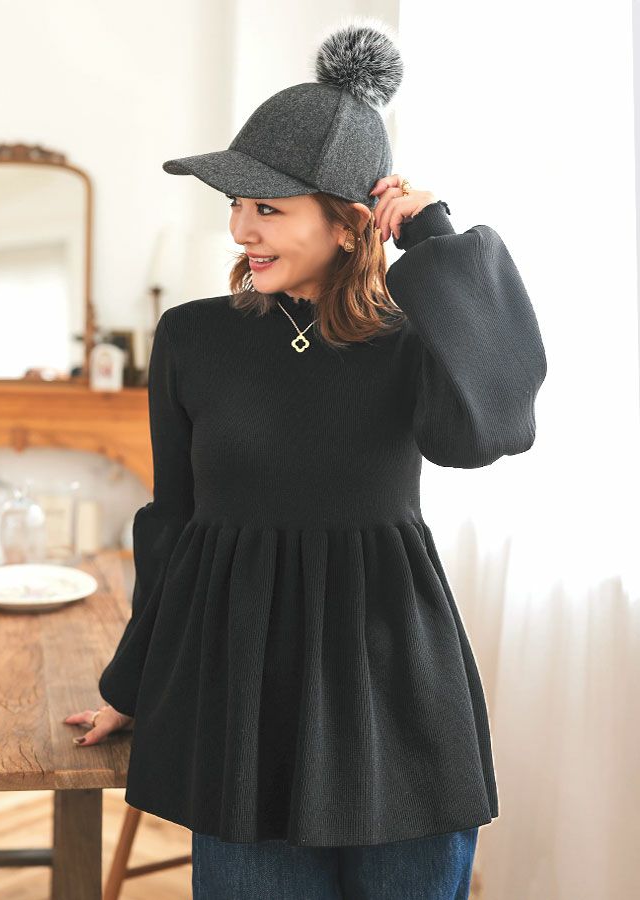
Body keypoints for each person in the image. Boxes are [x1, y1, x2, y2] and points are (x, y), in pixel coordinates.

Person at [64, 15, 547, 899]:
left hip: (397, 694)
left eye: (269, 209)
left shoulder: (411, 336)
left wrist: (436, 237)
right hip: (247, 700)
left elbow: (494, 428)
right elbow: (173, 522)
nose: (242, 230)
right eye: (236, 206)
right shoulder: (192, 338)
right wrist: (129, 684)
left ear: (351, 224)